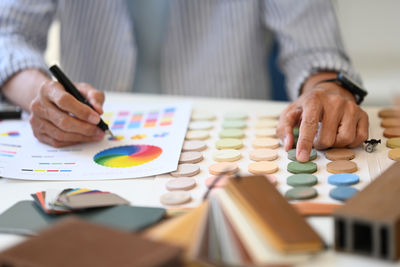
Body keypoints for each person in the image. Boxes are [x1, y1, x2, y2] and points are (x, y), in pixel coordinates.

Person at [0, 0, 368, 162]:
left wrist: (325, 90)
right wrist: (41, 94)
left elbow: (315, 47)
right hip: (89, 149)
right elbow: (8, 33)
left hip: (227, 149)